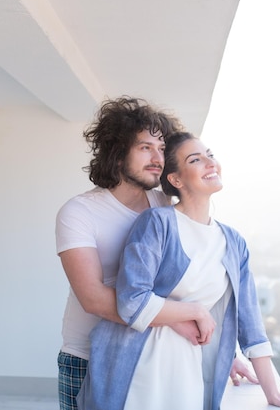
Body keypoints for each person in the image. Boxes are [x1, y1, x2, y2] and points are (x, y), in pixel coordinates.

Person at [77, 132, 280, 410]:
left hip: (190, 365)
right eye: (196, 159)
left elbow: (251, 323)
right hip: (139, 362)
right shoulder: (157, 223)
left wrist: (274, 394)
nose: (210, 163)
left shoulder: (233, 242)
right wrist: (196, 311)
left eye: (210, 154)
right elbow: (131, 299)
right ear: (176, 179)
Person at [55, 97, 256, 410]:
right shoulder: (79, 212)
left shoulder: (163, 206)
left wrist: (223, 350)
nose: (157, 157)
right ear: (117, 152)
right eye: (145, 147)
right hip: (87, 354)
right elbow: (93, 297)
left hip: (151, 354)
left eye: (162, 148)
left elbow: (192, 280)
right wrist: (182, 318)